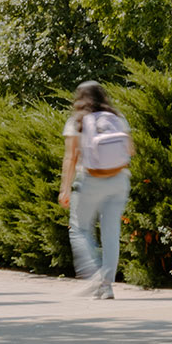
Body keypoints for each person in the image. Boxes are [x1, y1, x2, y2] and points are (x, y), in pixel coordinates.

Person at [60, 81, 131, 299]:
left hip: (90, 180)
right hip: (119, 179)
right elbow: (130, 150)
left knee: (80, 229)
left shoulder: (77, 122)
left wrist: (64, 188)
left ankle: (94, 276)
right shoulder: (117, 118)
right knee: (111, 233)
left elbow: (71, 157)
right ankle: (106, 286)